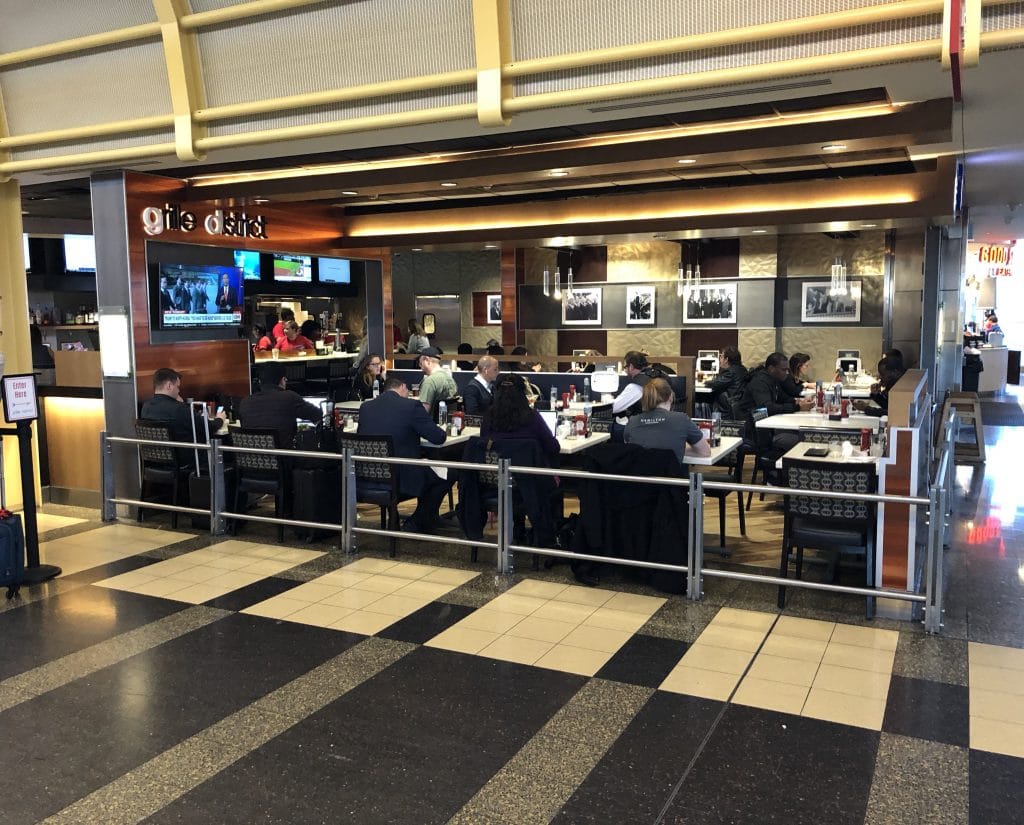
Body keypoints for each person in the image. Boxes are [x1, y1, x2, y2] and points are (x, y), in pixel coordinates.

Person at [357, 375, 449, 533]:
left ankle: (424, 518)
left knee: (431, 472)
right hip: (402, 477)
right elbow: (438, 437)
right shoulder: (411, 406)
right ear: (402, 387)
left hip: (366, 477)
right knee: (449, 474)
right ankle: (419, 520)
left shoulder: (366, 407)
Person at [737, 352, 815, 463]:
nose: (787, 373)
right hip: (753, 428)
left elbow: (782, 399)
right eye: (784, 370)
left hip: (765, 425)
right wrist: (797, 407)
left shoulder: (773, 380)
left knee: (801, 435)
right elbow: (766, 408)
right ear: (772, 368)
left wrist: (798, 401)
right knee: (802, 440)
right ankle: (776, 473)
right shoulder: (760, 382)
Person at [139, 367, 226, 457]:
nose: (179, 391)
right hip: (188, 462)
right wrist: (220, 419)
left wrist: (179, 403)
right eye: (177, 387)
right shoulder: (178, 409)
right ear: (169, 386)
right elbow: (208, 428)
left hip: (155, 461)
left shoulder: (146, 407)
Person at [624, 377, 710, 463]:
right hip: (670, 475)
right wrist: (679, 449)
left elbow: (631, 448)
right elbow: (705, 452)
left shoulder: (632, 422)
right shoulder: (682, 419)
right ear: (671, 397)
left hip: (637, 475)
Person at [237, 361, 321, 447]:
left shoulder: (245, 402)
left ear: (260, 381)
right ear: (282, 380)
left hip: (252, 458)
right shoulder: (289, 397)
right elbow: (317, 415)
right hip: (283, 457)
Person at [481, 375, 559, 457]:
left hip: (495, 467)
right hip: (527, 468)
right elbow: (553, 447)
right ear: (522, 394)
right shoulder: (532, 417)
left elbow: (482, 444)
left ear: (496, 393)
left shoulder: (488, 417)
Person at [706, 346, 747, 419]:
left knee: (702, 403)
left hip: (728, 408)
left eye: (721, 356)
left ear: (726, 359)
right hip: (737, 406)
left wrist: (705, 381)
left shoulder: (730, 372)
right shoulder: (742, 369)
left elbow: (714, 383)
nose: (719, 360)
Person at [417, 346, 458, 414]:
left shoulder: (429, 382)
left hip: (430, 422)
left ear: (427, 360)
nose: (420, 367)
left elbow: (423, 412)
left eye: (420, 363)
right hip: (446, 422)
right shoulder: (449, 379)